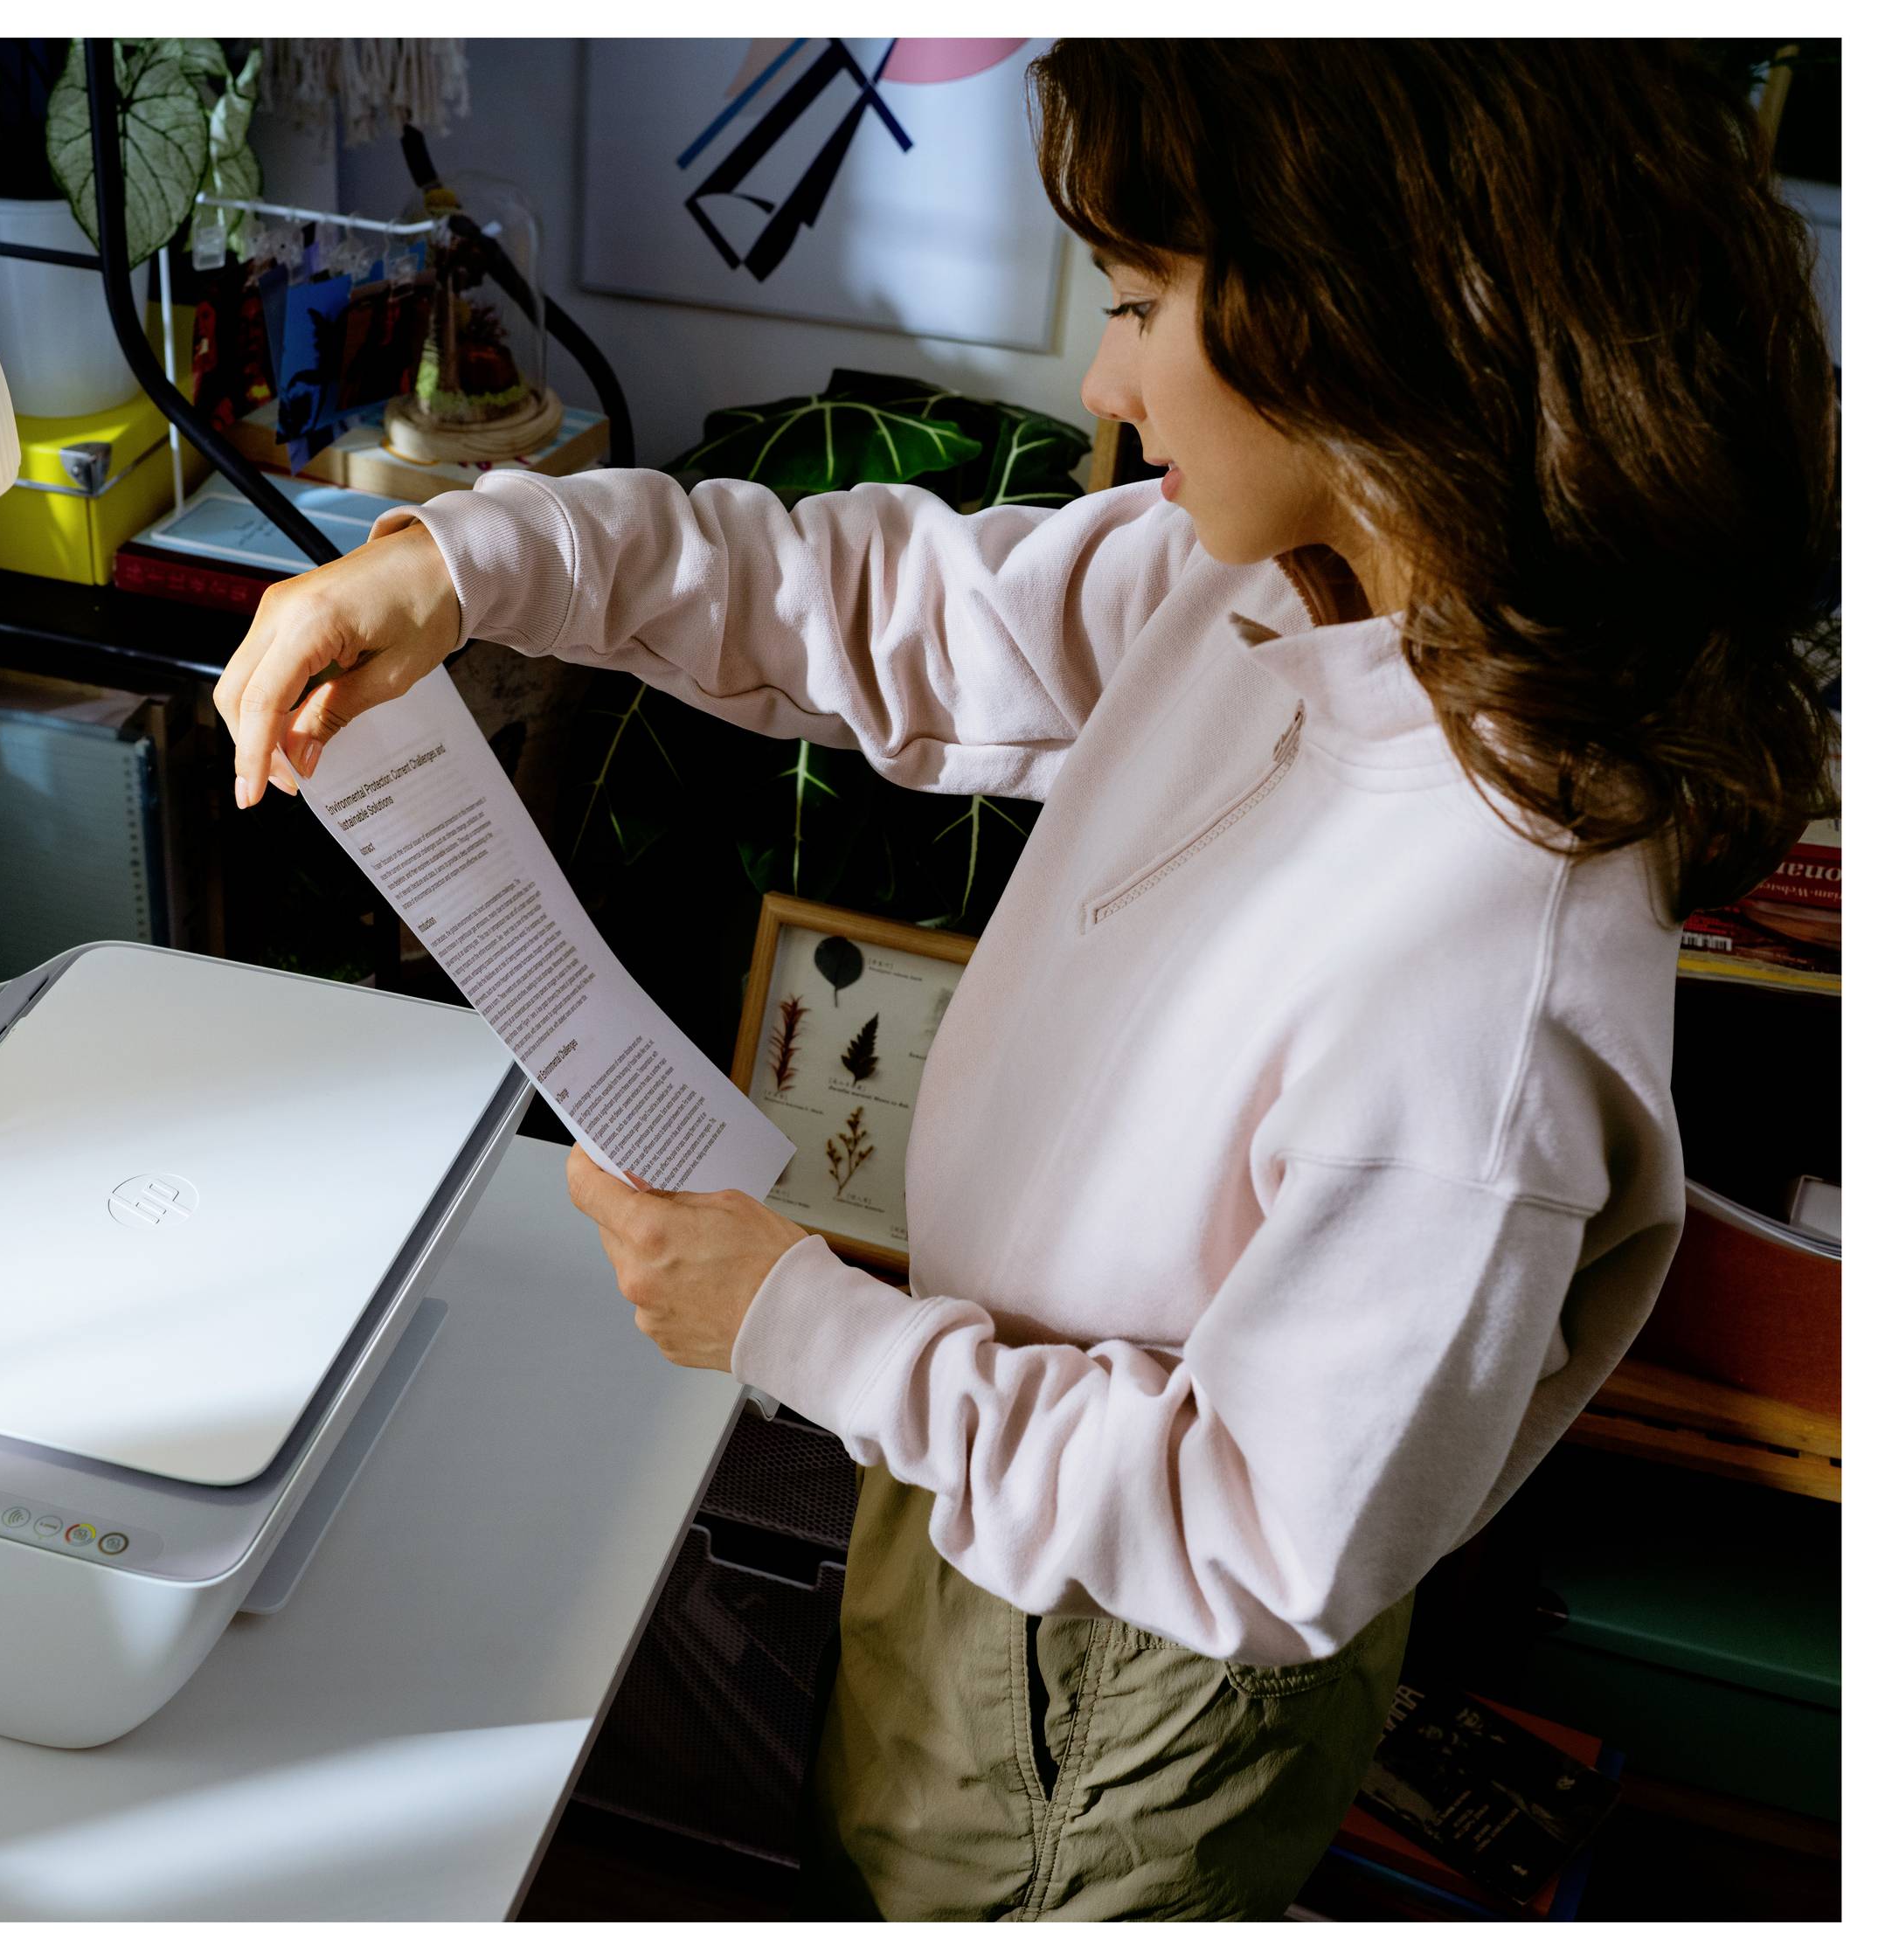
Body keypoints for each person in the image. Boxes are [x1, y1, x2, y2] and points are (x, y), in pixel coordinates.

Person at [213, 40, 1836, 1920]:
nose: (1100, 379)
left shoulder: (1487, 977)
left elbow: (1252, 1537)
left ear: (1376, 325)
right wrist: (465, 563)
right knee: (880, 1853)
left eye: (1143, 305)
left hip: (1130, 1657)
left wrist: (794, 1325)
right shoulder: (1284, 586)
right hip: (987, 1445)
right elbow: (873, 607)